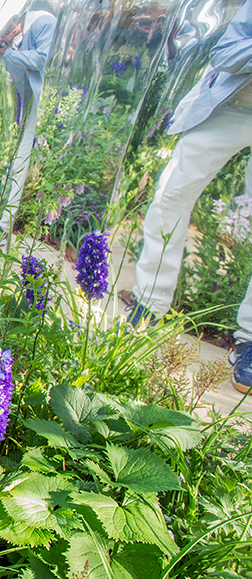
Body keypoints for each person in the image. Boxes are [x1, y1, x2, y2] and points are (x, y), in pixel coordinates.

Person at [128, 0, 252, 392]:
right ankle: (150, 306)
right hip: (229, 107)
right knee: (171, 196)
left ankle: (248, 341)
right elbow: (226, 52)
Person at [0, 9, 58, 246]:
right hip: (25, 104)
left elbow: (41, 59)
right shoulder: (21, 35)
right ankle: (3, 223)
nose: (4, 39)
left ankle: (5, 226)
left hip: (43, 107)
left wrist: (8, 52)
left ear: (14, 24)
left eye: (4, 34)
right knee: (18, 159)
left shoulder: (44, 22)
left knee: (23, 160)